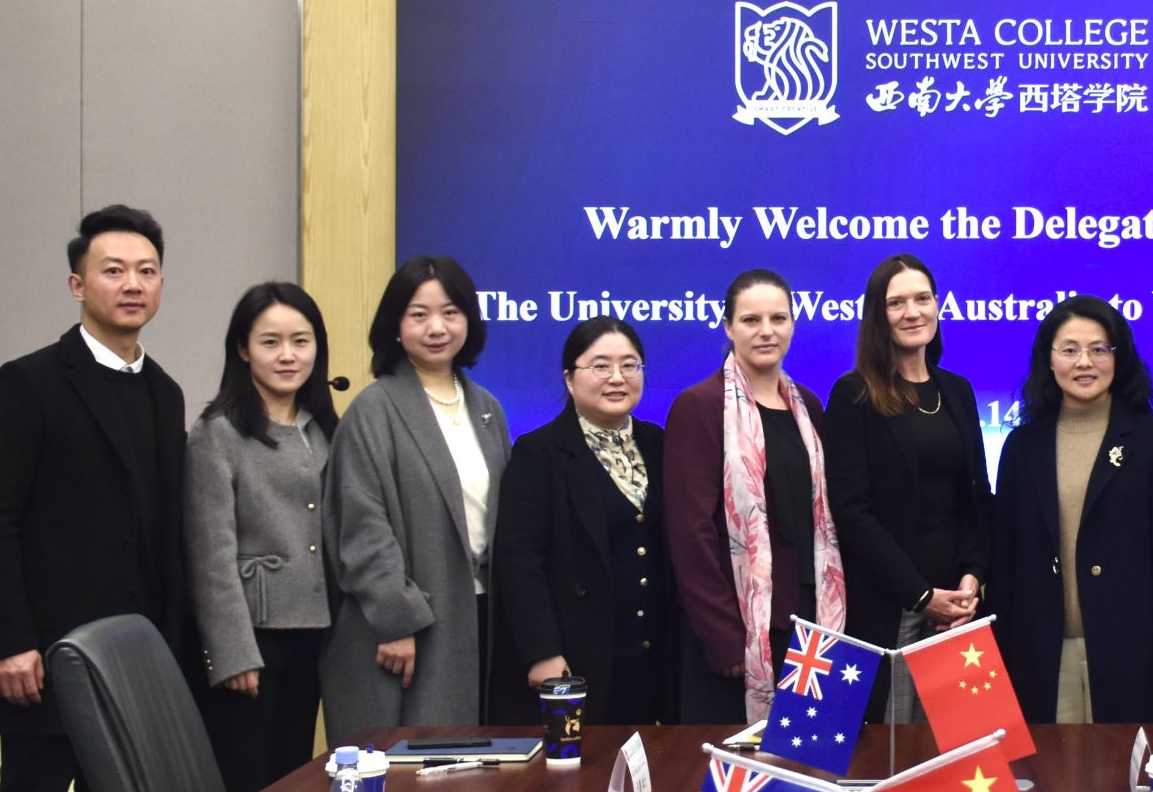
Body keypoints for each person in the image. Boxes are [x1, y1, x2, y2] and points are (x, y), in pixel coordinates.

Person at [0, 205, 188, 792]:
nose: (132, 284)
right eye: (114, 270)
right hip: (42, 658)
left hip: (131, 665)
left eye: (146, 271)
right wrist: (10, 642)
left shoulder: (165, 392)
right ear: (78, 285)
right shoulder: (28, 382)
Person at [320, 256, 510, 744]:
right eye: (418, 315)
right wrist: (396, 620)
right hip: (408, 627)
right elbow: (362, 526)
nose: (436, 328)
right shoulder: (373, 410)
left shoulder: (487, 409)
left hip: (480, 616)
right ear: (395, 324)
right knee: (415, 764)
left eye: (450, 312)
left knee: (477, 763)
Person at [991, 296, 1153, 723]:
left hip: (1133, 652)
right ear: (1048, 360)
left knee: (1127, 766)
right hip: (1041, 652)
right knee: (1053, 765)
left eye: (1099, 349)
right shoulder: (1022, 447)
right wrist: (999, 652)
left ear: (1119, 357)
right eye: (1069, 350)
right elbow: (1005, 559)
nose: (1084, 362)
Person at [664, 270, 845, 724]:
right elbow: (690, 534)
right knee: (740, 764)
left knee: (809, 756)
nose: (766, 331)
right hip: (738, 633)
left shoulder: (808, 405)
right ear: (728, 327)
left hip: (811, 626)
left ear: (793, 325)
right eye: (751, 320)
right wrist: (723, 636)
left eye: (778, 318)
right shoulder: (699, 406)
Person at [186, 282, 340, 792]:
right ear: (242, 349)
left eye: (301, 341)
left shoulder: (322, 427)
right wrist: (233, 654)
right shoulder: (218, 432)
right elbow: (209, 555)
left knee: (292, 786)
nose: (287, 355)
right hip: (253, 637)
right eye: (270, 342)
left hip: (313, 633)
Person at [825, 255, 991, 722]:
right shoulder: (853, 394)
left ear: (937, 305)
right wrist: (921, 596)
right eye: (896, 303)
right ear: (877, 316)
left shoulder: (957, 391)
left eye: (922, 299)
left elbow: (976, 497)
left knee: (963, 748)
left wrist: (972, 578)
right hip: (890, 606)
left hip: (957, 608)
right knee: (893, 746)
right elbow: (851, 511)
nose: (912, 312)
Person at [489, 317, 674, 727]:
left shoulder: (659, 443)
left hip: (652, 655)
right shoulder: (539, 452)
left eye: (629, 365)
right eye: (600, 366)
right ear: (570, 379)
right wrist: (541, 651)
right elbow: (519, 560)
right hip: (575, 656)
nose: (617, 377)